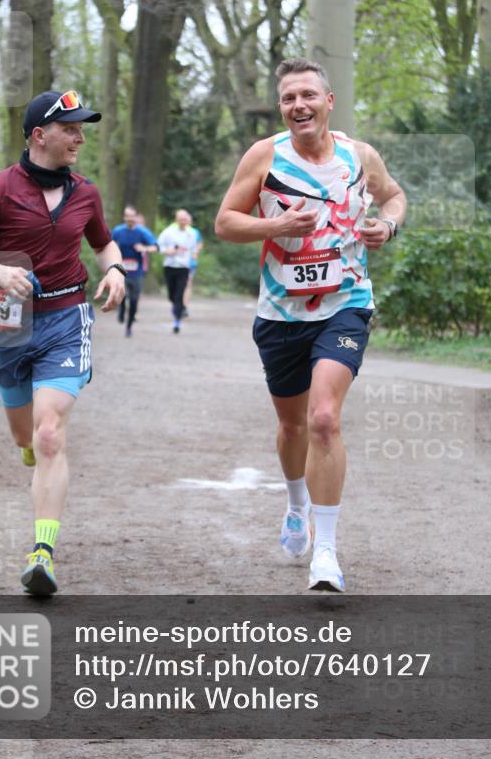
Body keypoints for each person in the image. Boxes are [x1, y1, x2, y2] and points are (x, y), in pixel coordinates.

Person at [215, 58, 406, 591]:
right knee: (293, 426)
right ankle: (296, 502)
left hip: (345, 303)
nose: (297, 105)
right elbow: (225, 222)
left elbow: (393, 195)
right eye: (288, 98)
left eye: (307, 95)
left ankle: (326, 554)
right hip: (280, 313)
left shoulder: (358, 155)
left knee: (323, 418)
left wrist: (386, 226)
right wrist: (276, 224)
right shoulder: (265, 156)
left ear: (329, 102)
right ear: (283, 108)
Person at [0, 90, 126, 596]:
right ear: (39, 135)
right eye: (71, 129)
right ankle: (24, 448)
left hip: (67, 317)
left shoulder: (86, 192)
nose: (80, 137)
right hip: (8, 323)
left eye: (82, 128)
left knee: (50, 434)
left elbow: (102, 240)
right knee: (25, 437)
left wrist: (113, 268)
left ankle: (42, 553)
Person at [111, 205, 158, 336]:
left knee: (134, 300)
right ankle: (121, 310)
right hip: (121, 269)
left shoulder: (143, 232)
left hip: (137, 272)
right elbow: (109, 245)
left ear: (136, 217)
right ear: (124, 217)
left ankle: (129, 326)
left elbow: (156, 247)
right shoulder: (118, 231)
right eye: (127, 216)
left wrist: (144, 248)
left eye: (132, 216)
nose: (130, 218)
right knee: (122, 294)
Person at [157, 209, 198, 334]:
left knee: (179, 294)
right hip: (169, 266)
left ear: (187, 220)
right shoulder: (168, 232)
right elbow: (159, 245)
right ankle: (177, 307)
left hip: (183, 268)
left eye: (185, 219)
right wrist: (167, 251)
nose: (183, 221)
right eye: (180, 219)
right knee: (171, 295)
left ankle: (177, 322)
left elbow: (193, 248)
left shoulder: (191, 234)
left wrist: (194, 254)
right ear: (176, 219)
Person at [182, 211, 203, 314]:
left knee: (188, 283)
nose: (186, 222)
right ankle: (179, 304)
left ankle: (185, 306)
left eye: (188, 220)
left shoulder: (195, 232)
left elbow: (199, 244)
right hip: (178, 263)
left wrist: (196, 252)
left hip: (190, 263)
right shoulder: (177, 232)